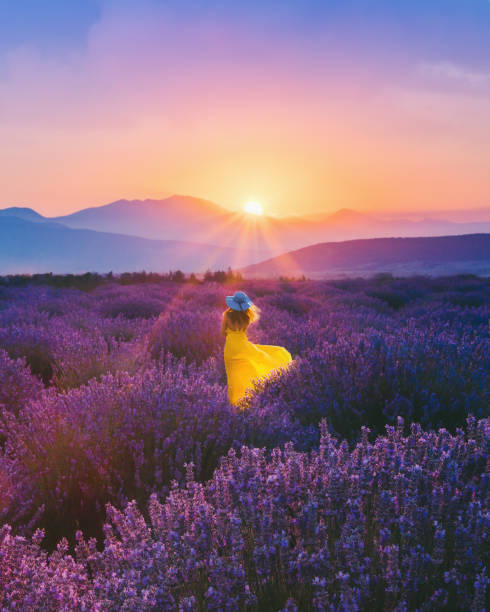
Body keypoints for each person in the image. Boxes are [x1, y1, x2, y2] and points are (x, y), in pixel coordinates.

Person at [222, 290, 292, 406]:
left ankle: (237, 406)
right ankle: (245, 405)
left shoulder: (227, 315)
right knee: (267, 357)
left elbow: (231, 334)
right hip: (240, 345)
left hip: (231, 345)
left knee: (236, 376)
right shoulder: (244, 317)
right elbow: (242, 339)